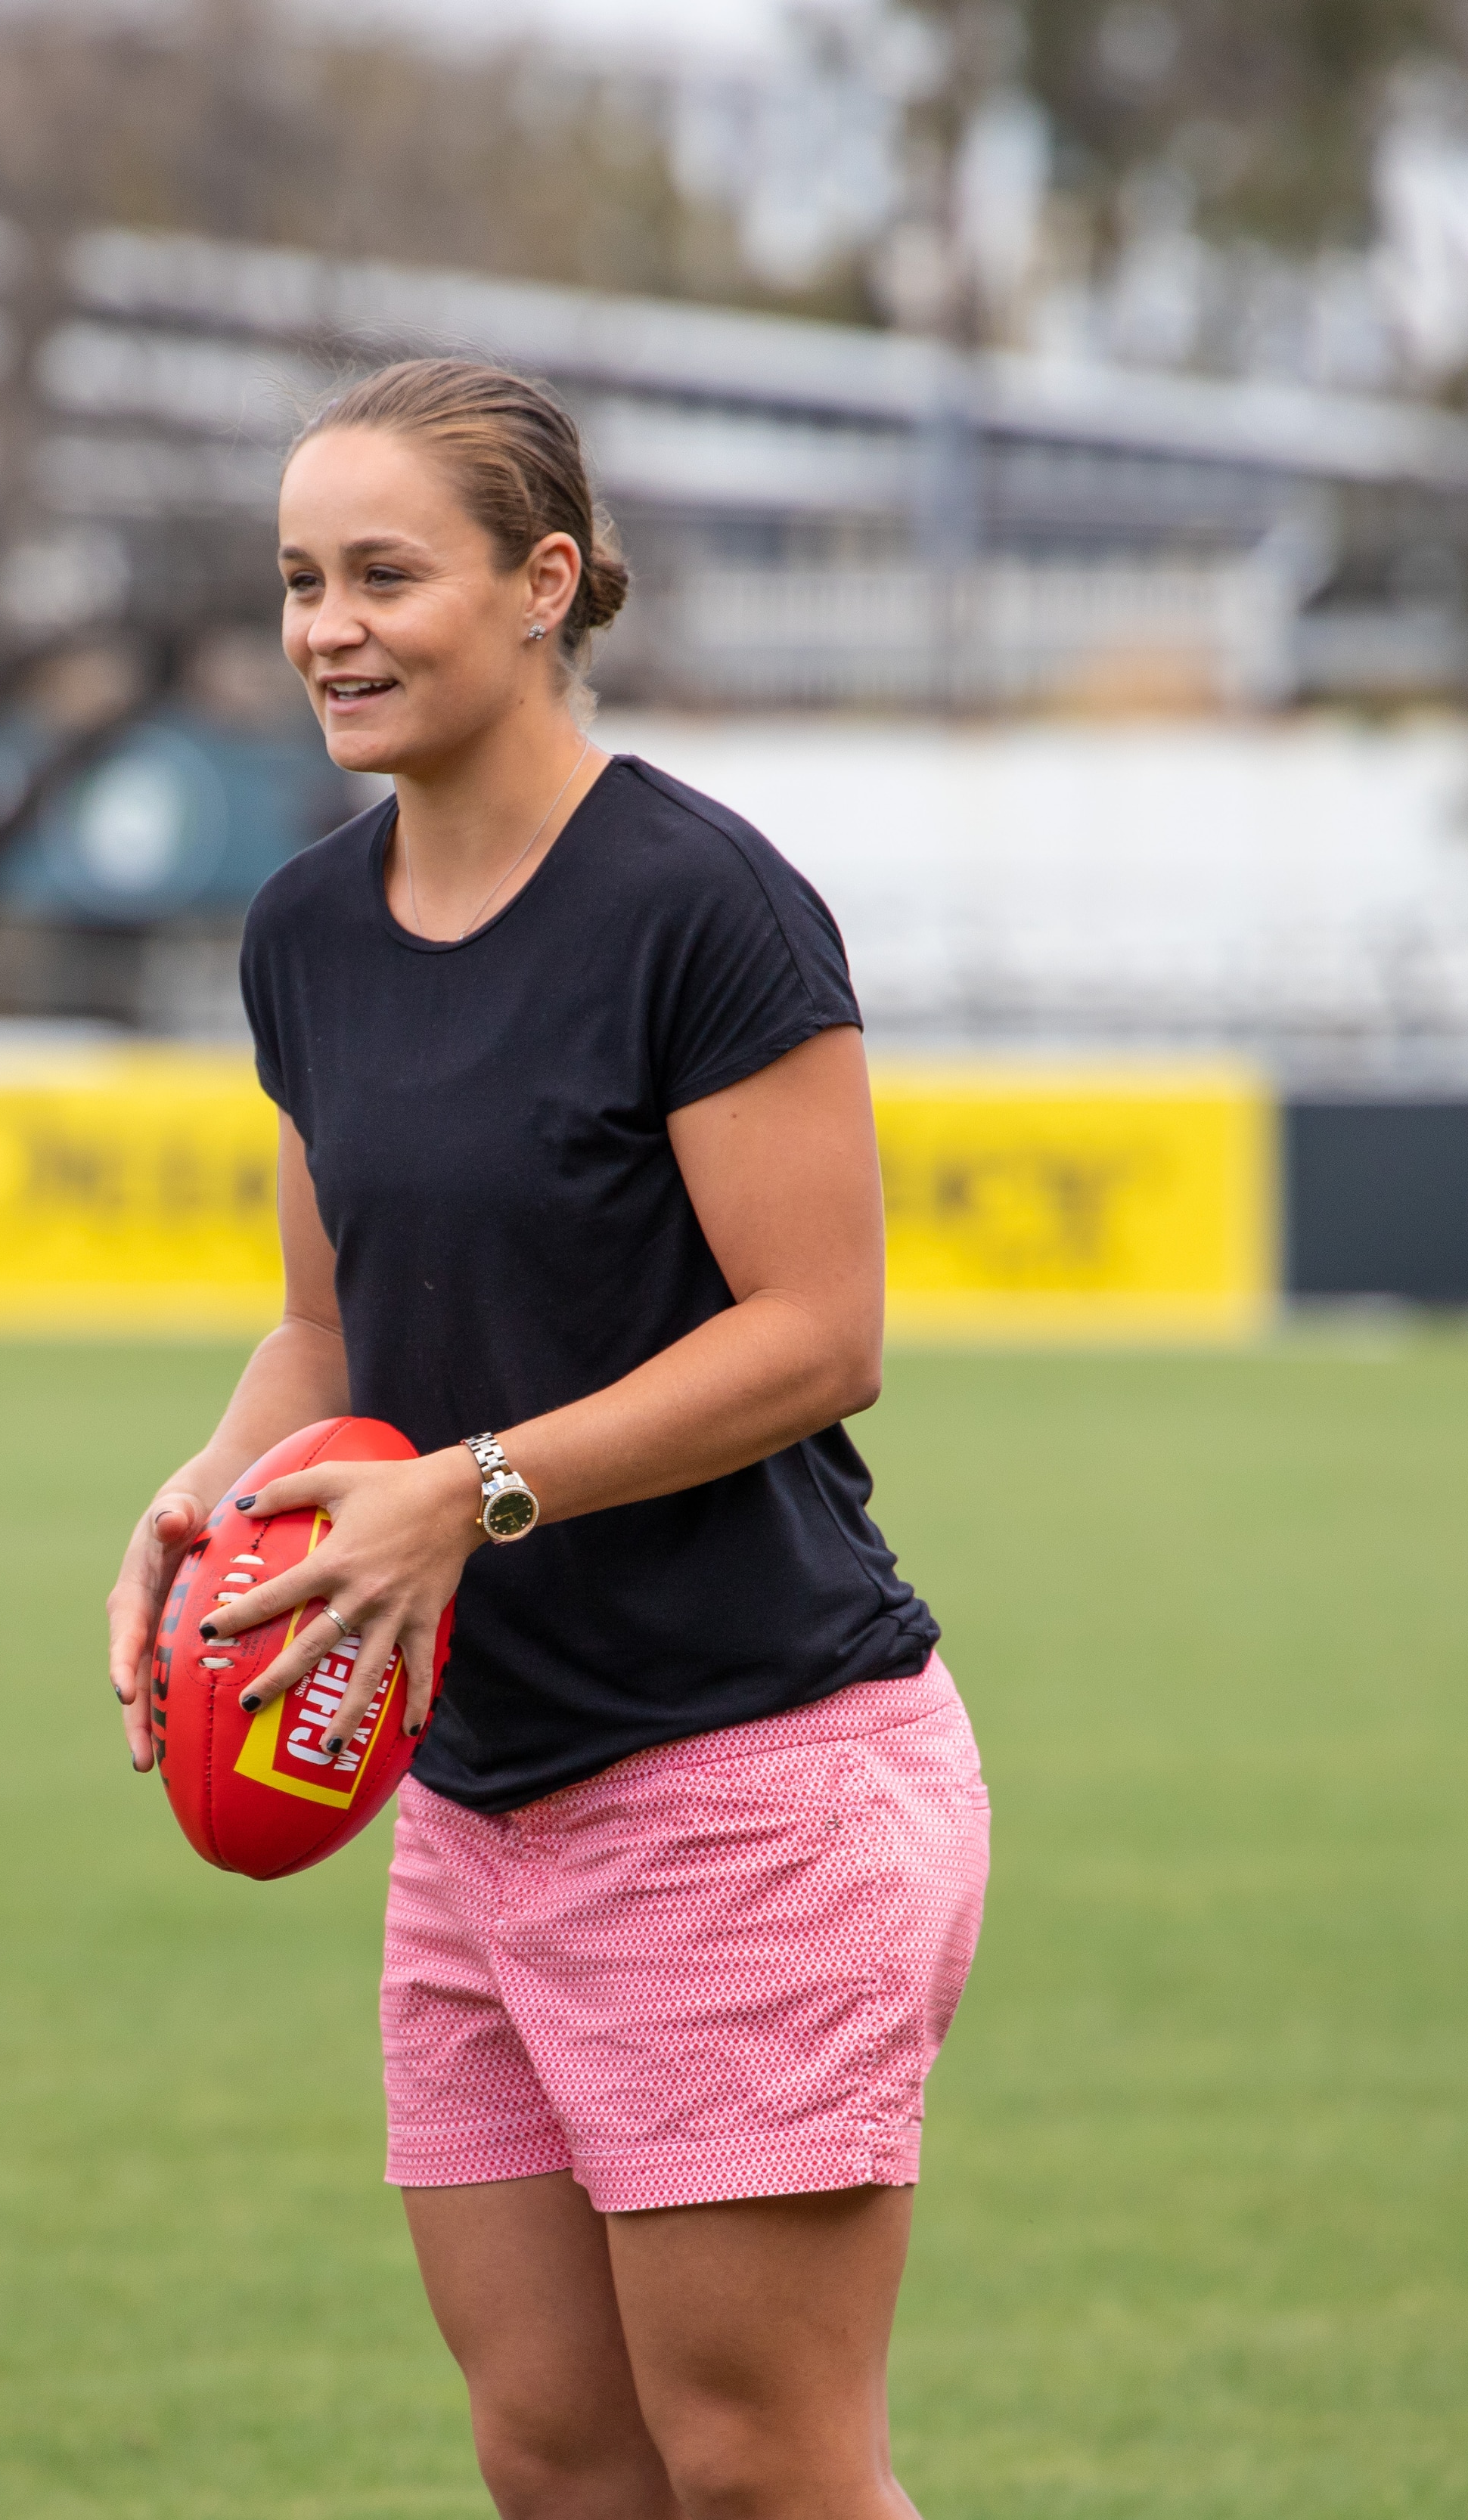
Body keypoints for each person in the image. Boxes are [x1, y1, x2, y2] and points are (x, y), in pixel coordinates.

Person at [101, 357, 988, 2520]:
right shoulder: (305, 930)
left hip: (749, 1777)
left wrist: (471, 1493)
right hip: (477, 1801)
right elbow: (329, 1326)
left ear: (543, 585)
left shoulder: (701, 904)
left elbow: (821, 1332)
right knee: (563, 2468)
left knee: (765, 2474)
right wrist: (216, 1489)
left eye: (386, 574)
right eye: (301, 579)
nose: (329, 626)